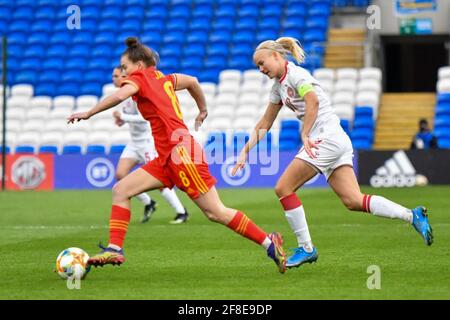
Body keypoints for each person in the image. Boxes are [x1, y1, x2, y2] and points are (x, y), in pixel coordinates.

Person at [67, 37, 287, 273]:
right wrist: (202, 109)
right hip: (166, 158)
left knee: (216, 212)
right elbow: (192, 81)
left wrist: (90, 112)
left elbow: (120, 96)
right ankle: (115, 249)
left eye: (125, 67)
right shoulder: (166, 79)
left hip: (181, 154)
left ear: (139, 66)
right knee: (121, 190)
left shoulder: (139, 79)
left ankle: (268, 243)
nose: (123, 72)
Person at [232, 37, 434, 269]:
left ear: (276, 56)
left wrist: (305, 134)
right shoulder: (278, 87)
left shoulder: (297, 75)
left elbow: (313, 101)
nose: (260, 69)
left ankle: (307, 248)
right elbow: (265, 122)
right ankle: (413, 215)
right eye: (257, 66)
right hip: (334, 138)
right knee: (353, 200)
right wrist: (245, 151)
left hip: (324, 137)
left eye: (262, 62)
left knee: (283, 188)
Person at [111, 67, 189, 224]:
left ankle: (181, 211)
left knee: (160, 179)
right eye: (113, 76)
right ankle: (149, 203)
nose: (114, 78)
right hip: (134, 143)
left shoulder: (134, 91)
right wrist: (121, 120)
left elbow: (143, 118)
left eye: (117, 75)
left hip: (147, 142)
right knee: (120, 175)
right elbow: (130, 119)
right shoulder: (123, 95)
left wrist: (123, 116)